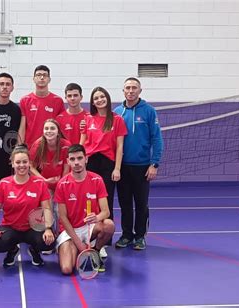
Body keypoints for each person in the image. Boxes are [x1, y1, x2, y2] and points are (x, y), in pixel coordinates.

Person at [113, 77, 164, 250]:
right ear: (123, 91)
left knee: (141, 203)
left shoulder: (149, 111)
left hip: (142, 167)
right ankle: (127, 235)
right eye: (127, 87)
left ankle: (140, 236)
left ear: (140, 91)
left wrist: (154, 164)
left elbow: (157, 138)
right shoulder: (117, 112)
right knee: (125, 203)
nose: (131, 90)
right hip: (122, 167)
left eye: (134, 87)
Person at [0, 145, 55, 267]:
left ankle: (34, 250)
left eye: (25, 162)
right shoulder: (4, 183)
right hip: (10, 226)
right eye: (18, 162)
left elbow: (47, 208)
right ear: (12, 164)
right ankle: (12, 250)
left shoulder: (39, 183)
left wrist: (48, 229)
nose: (21, 165)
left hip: (33, 227)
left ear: (29, 163)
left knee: (49, 242)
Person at [79, 86, 127, 251]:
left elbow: (120, 147)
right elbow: (82, 143)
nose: (99, 100)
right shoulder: (88, 119)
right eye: (96, 98)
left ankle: (104, 243)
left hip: (108, 163)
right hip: (91, 163)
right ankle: (89, 237)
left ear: (107, 98)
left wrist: (117, 168)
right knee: (88, 201)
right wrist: (79, 162)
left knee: (105, 203)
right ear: (92, 102)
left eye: (102, 97)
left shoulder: (117, 119)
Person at [54, 144, 115, 274]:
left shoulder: (97, 180)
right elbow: (63, 218)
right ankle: (74, 249)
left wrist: (97, 217)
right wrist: (79, 244)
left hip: (90, 228)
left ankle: (96, 252)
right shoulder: (62, 184)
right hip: (70, 230)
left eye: (80, 158)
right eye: (72, 159)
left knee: (109, 225)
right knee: (66, 269)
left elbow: (106, 212)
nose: (76, 162)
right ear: (68, 161)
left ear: (86, 159)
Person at [18, 65, 64, 147]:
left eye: (45, 75)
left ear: (49, 79)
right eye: (38, 75)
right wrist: (20, 146)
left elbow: (60, 126)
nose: (42, 77)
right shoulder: (25, 100)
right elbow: (22, 127)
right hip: (30, 146)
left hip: (51, 147)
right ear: (34, 79)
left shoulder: (58, 101)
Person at [29, 119, 70, 192]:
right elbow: (31, 167)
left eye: (52, 128)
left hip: (63, 183)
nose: (49, 131)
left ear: (58, 132)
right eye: (46, 128)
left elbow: (66, 169)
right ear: (43, 131)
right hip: (44, 184)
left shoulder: (66, 145)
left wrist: (61, 185)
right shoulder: (37, 145)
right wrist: (44, 180)